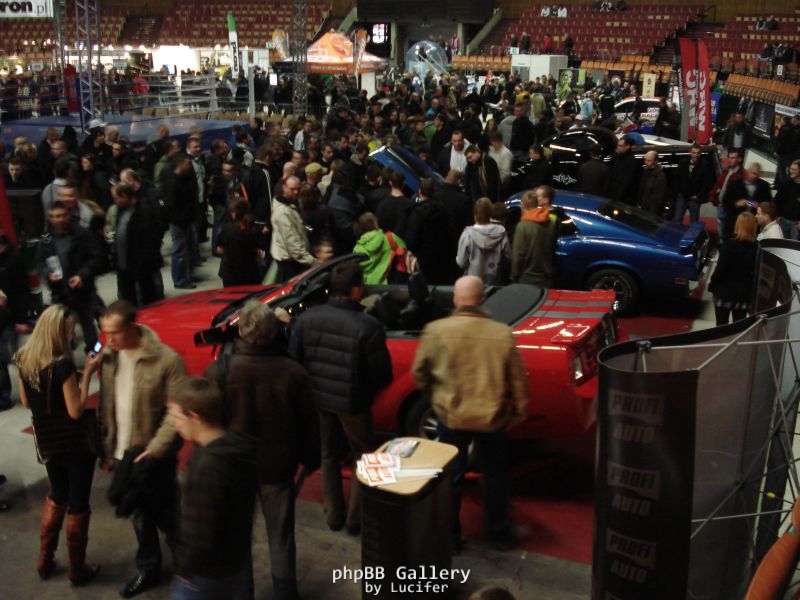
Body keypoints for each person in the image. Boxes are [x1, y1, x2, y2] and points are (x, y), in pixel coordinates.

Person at [204, 301, 320, 600]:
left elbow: (208, 423)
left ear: (241, 331)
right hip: (277, 468)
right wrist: (311, 458)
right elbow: (308, 422)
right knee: (281, 537)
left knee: (237, 537)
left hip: (234, 468)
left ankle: (242, 593)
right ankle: (285, 592)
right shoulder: (292, 372)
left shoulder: (220, 371)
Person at [412, 275, 528, 554]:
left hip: (451, 417)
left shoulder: (436, 330)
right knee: (495, 476)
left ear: (456, 299)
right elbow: (518, 380)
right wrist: (518, 411)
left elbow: (420, 373)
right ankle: (499, 533)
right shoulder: (501, 333)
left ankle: (450, 537)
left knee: (451, 478)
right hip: (491, 419)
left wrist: (436, 399)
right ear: (482, 299)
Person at [85, 300, 187, 598]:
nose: (109, 339)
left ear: (131, 326)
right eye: (105, 332)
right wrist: (106, 449)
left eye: (114, 332)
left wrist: (155, 449)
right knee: (140, 519)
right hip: (123, 457)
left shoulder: (166, 360)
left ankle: (188, 571)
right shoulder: (109, 357)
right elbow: (107, 403)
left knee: (169, 517)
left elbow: (176, 412)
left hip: (155, 458)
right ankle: (148, 569)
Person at [289, 261, 392, 535]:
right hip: (353, 403)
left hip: (319, 399)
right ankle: (356, 519)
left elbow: (294, 359)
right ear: (356, 289)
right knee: (364, 456)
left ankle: (333, 514)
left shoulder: (307, 319)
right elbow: (382, 374)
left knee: (329, 454)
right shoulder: (368, 326)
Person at [14, 305, 99, 584]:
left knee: (58, 494)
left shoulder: (24, 358)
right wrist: (88, 373)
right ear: (58, 332)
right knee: (78, 502)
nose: (73, 334)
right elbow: (75, 411)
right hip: (74, 442)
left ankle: (44, 560)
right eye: (70, 330)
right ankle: (77, 569)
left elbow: (26, 402)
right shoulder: (62, 365)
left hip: (47, 442)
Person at [167, 377, 258, 600]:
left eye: (176, 416)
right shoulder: (238, 448)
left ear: (195, 417)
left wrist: (183, 567)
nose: (173, 423)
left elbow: (201, 529)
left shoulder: (208, 466)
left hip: (205, 575)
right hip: (236, 562)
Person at [38, 200, 106, 352]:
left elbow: (97, 257)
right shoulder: (46, 239)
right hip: (59, 291)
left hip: (83, 290)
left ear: (68, 215)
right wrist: (48, 274)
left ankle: (95, 354)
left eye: (61, 215)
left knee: (89, 327)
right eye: (54, 216)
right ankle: (65, 358)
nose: (58, 219)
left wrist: (82, 275)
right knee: (58, 328)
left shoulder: (83, 234)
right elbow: (41, 262)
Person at [709, 212, 758, 326]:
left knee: (721, 327)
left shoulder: (729, 245)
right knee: (738, 328)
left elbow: (720, 270)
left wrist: (712, 284)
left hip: (724, 292)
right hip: (743, 294)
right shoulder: (756, 248)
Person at [0, 231, 30, 410]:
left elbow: (21, 291)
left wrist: (20, 319)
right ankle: (3, 398)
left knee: (10, 357)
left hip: (9, 319)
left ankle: (32, 388)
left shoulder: (13, 261)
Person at [270, 175, 320, 282]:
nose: (296, 192)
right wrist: (316, 263)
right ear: (284, 187)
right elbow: (294, 246)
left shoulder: (291, 204)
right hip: (290, 264)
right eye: (292, 189)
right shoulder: (283, 213)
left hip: (293, 260)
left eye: (298, 189)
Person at [511, 187, 559, 286]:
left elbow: (518, 255)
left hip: (527, 278)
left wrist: (514, 275)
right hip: (546, 278)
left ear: (523, 206)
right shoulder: (551, 222)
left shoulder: (522, 226)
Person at [456, 198, 510, 285]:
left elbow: (461, 262)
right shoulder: (501, 232)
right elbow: (507, 257)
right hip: (495, 281)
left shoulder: (467, 234)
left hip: (473, 282)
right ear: (491, 214)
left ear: (475, 214)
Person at [216, 199, 266, 288]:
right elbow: (259, 253)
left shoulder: (227, 228)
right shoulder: (254, 230)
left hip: (230, 273)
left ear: (233, 213)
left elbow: (220, 250)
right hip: (249, 273)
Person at [353, 212, 407, 285]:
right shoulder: (390, 238)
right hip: (391, 284)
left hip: (369, 286)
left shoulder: (357, 248)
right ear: (376, 223)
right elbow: (404, 251)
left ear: (360, 228)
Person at [721, 163, 771, 241]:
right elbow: (725, 200)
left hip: (753, 223)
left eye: (757, 174)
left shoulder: (764, 186)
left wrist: (759, 206)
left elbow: (768, 203)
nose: (754, 176)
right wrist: (736, 204)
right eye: (753, 173)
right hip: (735, 221)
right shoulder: (735, 184)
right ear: (747, 171)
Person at [673, 144, 715, 224]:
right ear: (690, 152)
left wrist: (699, 196)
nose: (696, 155)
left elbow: (707, 183)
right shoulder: (683, 163)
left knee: (694, 222)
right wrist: (678, 192)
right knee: (677, 220)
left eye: (698, 153)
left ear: (700, 153)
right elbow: (677, 178)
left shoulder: (705, 165)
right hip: (682, 197)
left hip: (695, 199)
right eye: (694, 153)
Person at [609, 135, 641, 204]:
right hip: (614, 195)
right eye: (618, 146)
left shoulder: (631, 161)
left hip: (623, 199)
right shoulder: (617, 158)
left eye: (620, 146)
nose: (618, 148)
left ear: (627, 146)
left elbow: (626, 182)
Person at [774, 159, 800, 240]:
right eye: (790, 168)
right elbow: (777, 200)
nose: (790, 171)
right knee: (780, 244)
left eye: (794, 169)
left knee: (793, 246)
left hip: (796, 224)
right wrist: (777, 215)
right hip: (782, 220)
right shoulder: (786, 183)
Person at [637, 151, 669, 216]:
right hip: (643, 207)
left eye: (649, 160)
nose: (646, 162)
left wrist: (652, 213)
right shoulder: (646, 171)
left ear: (655, 161)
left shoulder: (660, 176)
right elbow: (642, 189)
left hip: (652, 211)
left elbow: (658, 198)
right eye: (645, 160)